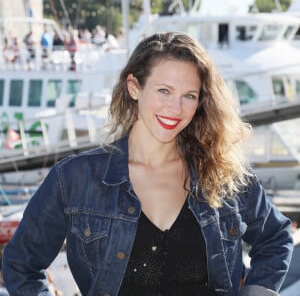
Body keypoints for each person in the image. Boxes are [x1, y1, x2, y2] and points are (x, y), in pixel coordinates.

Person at [1, 32, 293, 296]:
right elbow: (20, 265)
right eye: (164, 91)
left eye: (189, 96)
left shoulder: (221, 173)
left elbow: (276, 236)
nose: (175, 108)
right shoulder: (76, 178)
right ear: (134, 87)